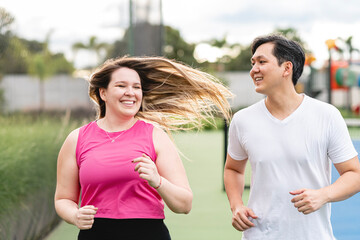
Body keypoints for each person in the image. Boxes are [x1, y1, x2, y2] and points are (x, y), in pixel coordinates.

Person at [54, 56, 232, 240]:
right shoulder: (77, 139)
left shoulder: (155, 136)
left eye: (136, 87)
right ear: (103, 93)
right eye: (121, 86)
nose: (131, 92)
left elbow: (184, 204)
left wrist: (158, 180)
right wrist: (75, 216)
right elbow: (63, 199)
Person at [224, 34, 360, 239]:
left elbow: (354, 175)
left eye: (262, 62)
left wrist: (323, 195)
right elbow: (233, 168)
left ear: (287, 68)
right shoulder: (242, 120)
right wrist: (236, 205)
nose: (254, 70)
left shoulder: (327, 115)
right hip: (259, 234)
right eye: (253, 63)